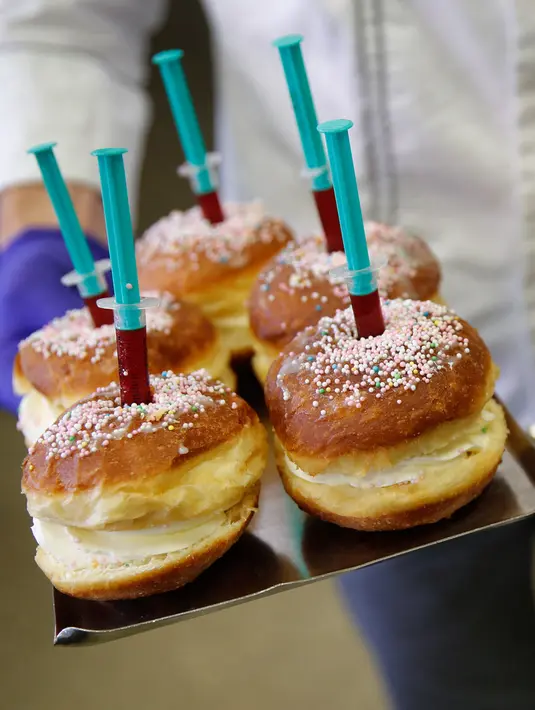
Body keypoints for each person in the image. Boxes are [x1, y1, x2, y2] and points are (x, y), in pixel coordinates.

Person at [1, 1, 535, 707]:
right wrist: (35, 227)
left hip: (465, 273)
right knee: (460, 672)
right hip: (322, 345)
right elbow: (60, 19)